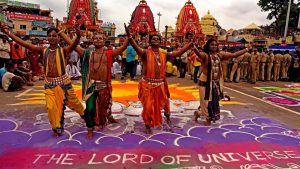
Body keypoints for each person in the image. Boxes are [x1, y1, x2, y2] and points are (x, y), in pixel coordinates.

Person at [0, 22, 85, 137]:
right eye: (49, 36)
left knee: (75, 104)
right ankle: (56, 128)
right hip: (49, 85)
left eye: (54, 35)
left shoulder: (63, 50)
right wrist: (8, 33)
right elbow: (24, 44)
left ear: (58, 38)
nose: (51, 38)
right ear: (47, 37)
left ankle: (84, 115)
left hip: (65, 84)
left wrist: (78, 37)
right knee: (51, 107)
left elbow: (74, 46)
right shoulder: (43, 50)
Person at [57, 21, 130, 138]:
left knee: (103, 108)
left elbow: (123, 47)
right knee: (89, 109)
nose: (98, 40)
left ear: (104, 40)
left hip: (104, 86)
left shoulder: (109, 53)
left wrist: (128, 36)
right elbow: (73, 44)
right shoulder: (87, 53)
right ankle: (90, 128)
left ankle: (107, 117)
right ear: (92, 40)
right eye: (95, 38)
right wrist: (60, 32)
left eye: (100, 38)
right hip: (91, 85)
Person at [127, 26, 193, 134]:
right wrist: (130, 38)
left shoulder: (164, 54)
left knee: (166, 104)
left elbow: (178, 53)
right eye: (153, 39)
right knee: (148, 107)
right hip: (147, 85)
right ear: (150, 41)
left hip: (161, 85)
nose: (155, 40)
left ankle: (167, 118)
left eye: (157, 39)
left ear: (160, 41)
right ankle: (147, 125)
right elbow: (136, 47)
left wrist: (189, 45)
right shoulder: (144, 53)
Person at [193, 39, 250, 126]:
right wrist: (194, 48)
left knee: (213, 102)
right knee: (206, 102)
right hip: (205, 83)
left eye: (215, 45)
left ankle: (199, 113)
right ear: (208, 46)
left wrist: (246, 49)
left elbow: (234, 55)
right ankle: (207, 118)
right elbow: (199, 55)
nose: (214, 46)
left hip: (215, 83)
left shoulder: (220, 55)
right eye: (212, 45)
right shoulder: (205, 55)